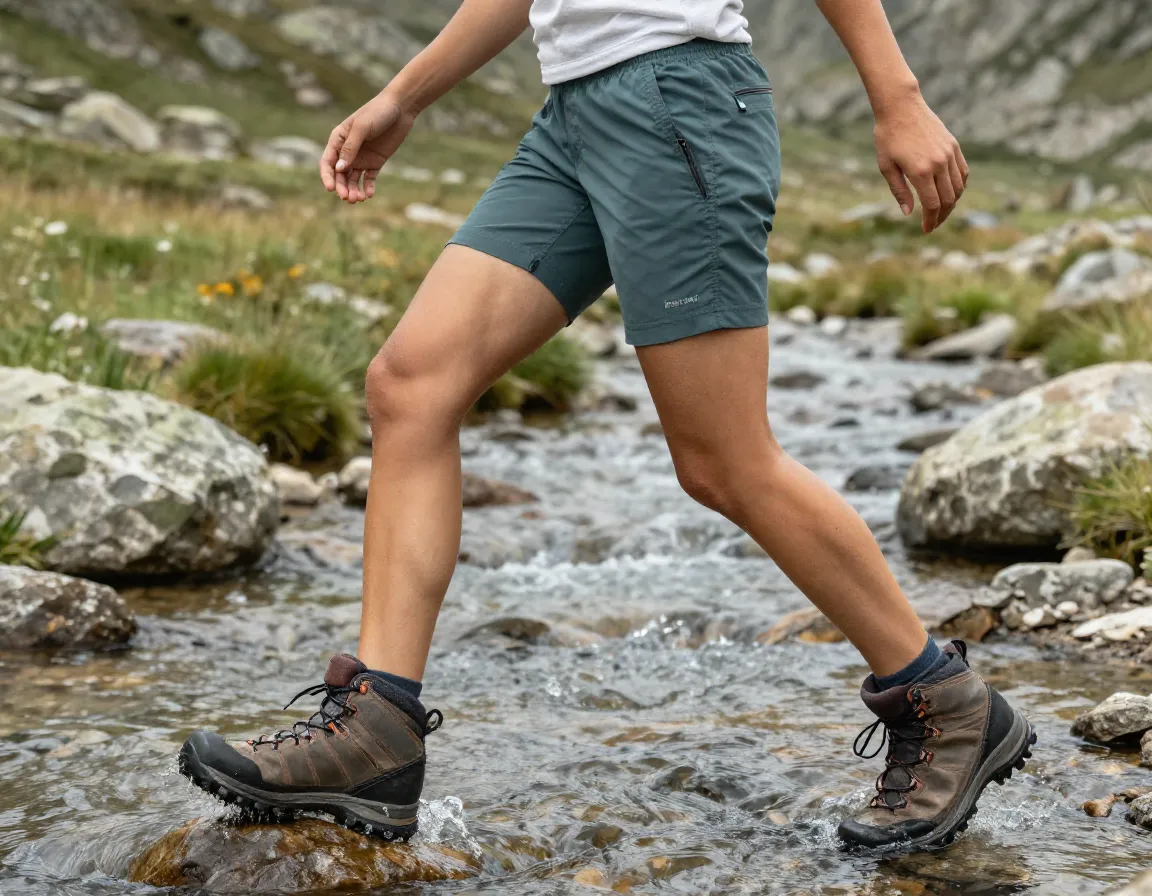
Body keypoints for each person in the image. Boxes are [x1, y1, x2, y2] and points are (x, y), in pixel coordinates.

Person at [178, 0, 1035, 852]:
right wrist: (405, 95)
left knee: (724, 462)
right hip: (576, 116)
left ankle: (943, 698)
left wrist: (898, 95)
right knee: (410, 385)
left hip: (679, 100)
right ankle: (376, 730)